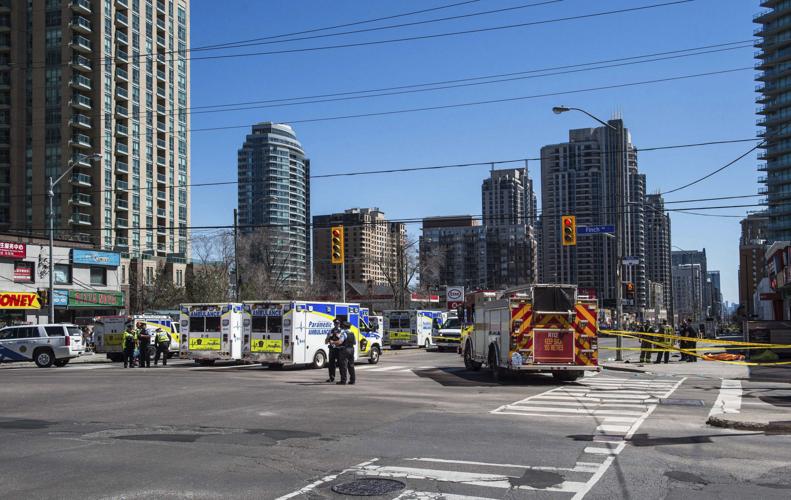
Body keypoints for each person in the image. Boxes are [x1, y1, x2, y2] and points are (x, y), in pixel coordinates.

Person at [334, 321, 356, 385]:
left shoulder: (344, 333)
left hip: (345, 350)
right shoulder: (352, 333)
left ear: (344, 327)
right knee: (351, 365)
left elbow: (340, 342)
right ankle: (352, 380)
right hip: (351, 350)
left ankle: (343, 380)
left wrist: (333, 342)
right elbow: (354, 342)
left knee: (344, 366)